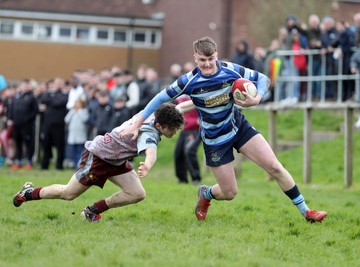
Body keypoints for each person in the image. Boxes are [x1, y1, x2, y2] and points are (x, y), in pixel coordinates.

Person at [120, 36, 327, 223]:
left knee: (274, 166)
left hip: (239, 128)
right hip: (214, 140)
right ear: (196, 58)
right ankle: (206, 193)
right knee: (229, 192)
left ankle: (307, 212)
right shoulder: (189, 81)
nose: (207, 64)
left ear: (216, 56)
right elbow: (160, 98)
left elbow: (263, 79)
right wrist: (138, 122)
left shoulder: (230, 69)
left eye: (211, 59)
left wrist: (257, 98)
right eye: (202, 60)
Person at [13, 103, 184, 222]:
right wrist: (148, 164)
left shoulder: (154, 112)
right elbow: (151, 151)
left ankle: (92, 211)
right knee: (68, 194)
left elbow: (180, 107)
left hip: (116, 159)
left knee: (137, 193)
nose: (175, 131)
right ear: (160, 125)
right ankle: (28, 193)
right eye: (172, 128)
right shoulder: (149, 133)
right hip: (99, 157)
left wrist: (202, 99)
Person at [40, 78, 69, 170]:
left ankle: (59, 165)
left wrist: (50, 102)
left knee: (59, 146)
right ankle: (45, 165)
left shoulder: (65, 94)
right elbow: (43, 99)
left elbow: (60, 102)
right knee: (46, 144)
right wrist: (52, 100)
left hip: (59, 124)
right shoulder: (48, 93)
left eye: (61, 83)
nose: (59, 85)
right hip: (48, 124)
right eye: (57, 83)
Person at [174, 95, 202, 185]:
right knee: (178, 153)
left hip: (195, 130)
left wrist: (200, 120)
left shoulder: (198, 93)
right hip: (185, 130)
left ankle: (196, 178)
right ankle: (182, 179)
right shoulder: (179, 95)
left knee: (189, 151)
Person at [64, 97, 89, 169]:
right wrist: (72, 112)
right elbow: (66, 120)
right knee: (73, 152)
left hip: (80, 135)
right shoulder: (72, 111)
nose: (76, 105)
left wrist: (79, 111)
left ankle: (80, 165)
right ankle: (75, 165)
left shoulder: (84, 111)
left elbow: (85, 119)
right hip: (72, 136)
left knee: (80, 152)